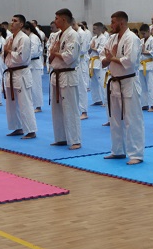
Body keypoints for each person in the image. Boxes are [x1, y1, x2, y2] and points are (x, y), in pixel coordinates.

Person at [102, 10, 145, 165]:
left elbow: (130, 61)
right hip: (114, 82)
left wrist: (112, 58)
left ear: (121, 22)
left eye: (113, 22)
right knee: (115, 119)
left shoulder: (131, 38)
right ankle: (118, 150)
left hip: (128, 82)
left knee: (132, 119)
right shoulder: (112, 38)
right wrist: (111, 59)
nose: (111, 25)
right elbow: (103, 60)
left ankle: (136, 154)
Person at [47, 8, 82, 150]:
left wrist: (55, 53)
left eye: (56, 18)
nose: (54, 21)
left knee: (70, 108)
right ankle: (61, 138)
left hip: (68, 75)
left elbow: (70, 56)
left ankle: (75, 140)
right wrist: (53, 53)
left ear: (63, 19)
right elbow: (50, 56)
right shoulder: (56, 35)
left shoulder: (73, 35)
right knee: (56, 109)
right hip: (56, 74)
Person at [3, 14, 37, 139]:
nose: (12, 22)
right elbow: (4, 56)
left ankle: (31, 130)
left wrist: (8, 51)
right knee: (11, 104)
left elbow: (22, 57)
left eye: (15, 21)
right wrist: (6, 52)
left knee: (25, 103)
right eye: (11, 20)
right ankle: (17, 127)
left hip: (21, 73)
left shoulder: (24, 39)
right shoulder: (9, 38)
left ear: (21, 24)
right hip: (10, 72)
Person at [24, 22, 44, 112]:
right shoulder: (29, 37)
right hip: (30, 63)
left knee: (36, 86)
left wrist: (24, 57)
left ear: (28, 29)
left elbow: (34, 51)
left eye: (24, 31)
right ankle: (32, 104)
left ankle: (38, 106)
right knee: (30, 85)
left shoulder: (34, 38)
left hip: (35, 64)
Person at [137, 24, 153, 112]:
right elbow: (138, 52)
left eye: (144, 33)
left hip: (149, 65)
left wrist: (144, 51)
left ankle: (152, 105)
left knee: (151, 86)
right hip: (141, 66)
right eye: (141, 34)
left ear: (149, 31)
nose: (143, 35)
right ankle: (144, 104)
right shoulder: (141, 40)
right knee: (142, 86)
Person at [89, 22, 107, 106]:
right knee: (93, 83)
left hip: (99, 62)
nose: (93, 30)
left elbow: (101, 50)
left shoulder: (103, 38)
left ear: (100, 29)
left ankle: (106, 101)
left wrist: (93, 48)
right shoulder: (93, 38)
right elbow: (89, 48)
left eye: (95, 29)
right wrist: (92, 48)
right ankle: (97, 100)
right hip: (92, 62)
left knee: (102, 82)